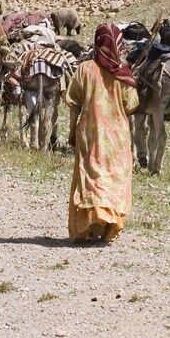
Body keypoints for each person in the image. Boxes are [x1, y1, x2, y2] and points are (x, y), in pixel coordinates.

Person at [66, 23, 139, 243]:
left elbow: (74, 103)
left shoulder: (85, 69)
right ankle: (109, 227)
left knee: (92, 176)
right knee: (114, 176)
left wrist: (71, 131)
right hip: (117, 137)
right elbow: (131, 104)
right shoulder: (124, 75)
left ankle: (91, 223)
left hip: (90, 133)